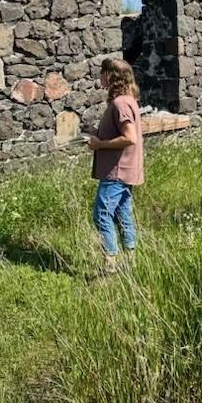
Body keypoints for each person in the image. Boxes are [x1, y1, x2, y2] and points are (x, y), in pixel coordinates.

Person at [85, 57, 144, 273]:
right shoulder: (128, 101)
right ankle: (131, 262)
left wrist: (100, 144)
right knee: (122, 214)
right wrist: (97, 135)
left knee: (101, 215)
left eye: (102, 72)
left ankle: (110, 264)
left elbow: (129, 137)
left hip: (117, 172)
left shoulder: (120, 103)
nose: (100, 76)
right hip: (126, 169)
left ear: (110, 76)